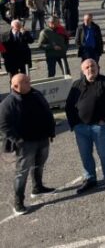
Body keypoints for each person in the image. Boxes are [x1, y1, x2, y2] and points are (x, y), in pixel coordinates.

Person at [0, 73, 56, 215]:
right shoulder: (8, 103)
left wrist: (51, 131)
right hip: (25, 144)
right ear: (15, 86)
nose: (29, 83)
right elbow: (3, 126)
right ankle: (18, 202)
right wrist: (18, 140)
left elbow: (47, 112)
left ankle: (37, 188)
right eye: (25, 82)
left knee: (39, 164)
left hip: (42, 138)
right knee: (22, 172)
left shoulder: (36, 94)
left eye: (28, 80)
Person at [65, 59, 105, 193]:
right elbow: (69, 106)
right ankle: (90, 179)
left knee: (104, 153)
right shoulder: (76, 85)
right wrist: (74, 124)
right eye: (87, 67)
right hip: (81, 128)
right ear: (83, 71)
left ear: (98, 67)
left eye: (93, 66)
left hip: (99, 127)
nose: (90, 69)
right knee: (85, 154)